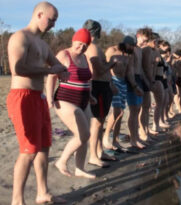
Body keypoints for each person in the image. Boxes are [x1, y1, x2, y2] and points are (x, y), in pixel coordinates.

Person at [6, 2, 68, 204]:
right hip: (22, 97)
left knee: (44, 147)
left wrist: (62, 69)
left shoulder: (42, 44)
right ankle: (17, 201)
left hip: (38, 98)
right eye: (51, 20)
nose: (53, 25)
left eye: (55, 21)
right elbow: (18, 69)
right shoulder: (20, 37)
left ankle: (42, 193)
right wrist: (50, 71)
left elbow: (55, 63)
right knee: (29, 151)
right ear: (39, 14)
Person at [46, 28, 96, 179]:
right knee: (84, 134)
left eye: (85, 46)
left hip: (84, 100)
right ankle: (61, 161)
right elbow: (52, 77)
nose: (81, 48)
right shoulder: (63, 54)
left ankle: (79, 168)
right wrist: (49, 98)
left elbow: (88, 79)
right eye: (79, 44)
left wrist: (91, 95)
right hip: (65, 99)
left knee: (85, 136)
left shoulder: (85, 57)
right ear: (73, 40)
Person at [83, 19, 117, 168]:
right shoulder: (92, 48)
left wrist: (110, 83)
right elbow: (98, 70)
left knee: (100, 121)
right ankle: (93, 156)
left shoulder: (95, 47)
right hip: (97, 87)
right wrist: (112, 63)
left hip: (103, 86)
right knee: (97, 123)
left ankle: (100, 151)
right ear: (97, 31)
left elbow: (102, 70)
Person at [102, 36, 143, 152]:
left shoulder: (127, 55)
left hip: (123, 83)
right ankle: (106, 137)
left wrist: (135, 86)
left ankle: (115, 140)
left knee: (121, 113)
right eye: (132, 46)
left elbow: (129, 72)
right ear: (126, 43)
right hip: (113, 81)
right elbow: (105, 68)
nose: (133, 49)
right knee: (117, 111)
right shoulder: (112, 51)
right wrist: (110, 84)